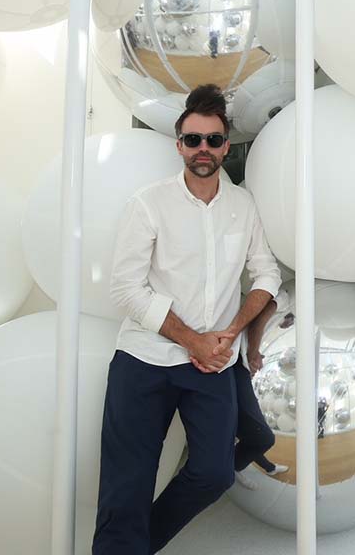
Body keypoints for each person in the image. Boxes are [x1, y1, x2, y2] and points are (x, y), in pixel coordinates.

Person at [93, 85, 282, 555]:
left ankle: (136, 545)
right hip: (144, 359)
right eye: (193, 140)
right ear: (178, 144)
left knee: (214, 474)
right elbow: (126, 289)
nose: (203, 149)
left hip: (213, 364)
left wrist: (232, 332)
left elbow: (267, 273)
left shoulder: (243, 206)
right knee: (127, 485)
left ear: (226, 146)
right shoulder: (148, 203)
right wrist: (192, 340)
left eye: (213, 140)